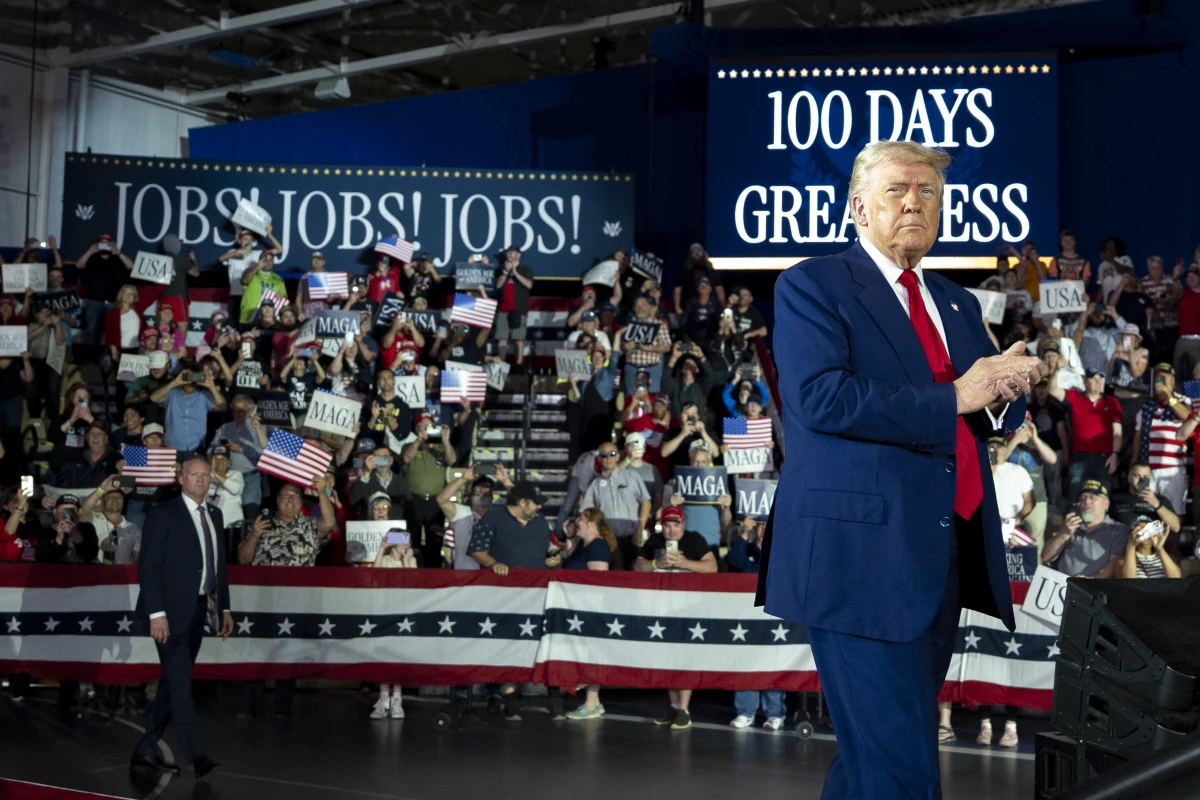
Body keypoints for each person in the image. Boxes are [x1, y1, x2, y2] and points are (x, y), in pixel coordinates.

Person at [758, 140, 1041, 800]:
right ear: (857, 206)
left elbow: (978, 404)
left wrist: (1007, 391)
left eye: (929, 193)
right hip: (856, 558)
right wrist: (960, 396)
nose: (915, 202)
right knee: (903, 771)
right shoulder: (811, 285)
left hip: (939, 553)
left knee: (871, 762)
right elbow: (821, 398)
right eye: (897, 190)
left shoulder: (958, 304)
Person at [130, 456, 232, 778]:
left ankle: (147, 749)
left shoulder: (214, 515)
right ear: (182, 478)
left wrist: (225, 608)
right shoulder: (163, 514)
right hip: (168, 616)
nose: (200, 480)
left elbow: (219, 568)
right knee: (181, 684)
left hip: (199, 611)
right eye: (194, 475)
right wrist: (156, 614)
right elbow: (148, 567)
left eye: (205, 475)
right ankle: (196, 755)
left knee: (171, 684)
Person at [236, 479, 336, 718]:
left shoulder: (310, 526)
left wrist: (322, 491)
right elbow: (243, 559)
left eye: (294, 497)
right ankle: (252, 705)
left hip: (296, 603)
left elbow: (330, 522)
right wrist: (253, 536)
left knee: (287, 655)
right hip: (264, 602)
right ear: (277, 501)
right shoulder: (263, 525)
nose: (289, 501)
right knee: (257, 653)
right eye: (284, 496)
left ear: (301, 502)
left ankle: (282, 707)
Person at [468, 481, 552, 721]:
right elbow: (476, 549)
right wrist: (494, 564)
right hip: (503, 594)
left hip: (535, 592)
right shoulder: (492, 519)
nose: (538, 507)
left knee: (527, 642)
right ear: (522, 503)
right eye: (535, 503)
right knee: (506, 640)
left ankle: (513, 693)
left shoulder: (539, 523)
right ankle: (507, 695)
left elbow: (546, 551)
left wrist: (553, 560)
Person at [634, 505, 717, 731]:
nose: (671, 530)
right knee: (666, 658)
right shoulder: (654, 541)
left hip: (687, 608)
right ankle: (673, 706)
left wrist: (685, 563)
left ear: (684, 524)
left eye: (676, 525)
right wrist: (656, 564)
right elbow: (637, 566)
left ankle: (684, 709)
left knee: (684, 657)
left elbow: (712, 566)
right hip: (661, 608)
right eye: (667, 525)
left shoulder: (693, 540)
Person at [553, 508, 620, 721]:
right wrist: (571, 538)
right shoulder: (585, 545)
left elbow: (598, 581)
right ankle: (593, 702)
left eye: (580, 519)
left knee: (592, 654)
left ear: (591, 523)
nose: (576, 522)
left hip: (590, 609)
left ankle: (592, 702)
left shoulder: (598, 546)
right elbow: (573, 566)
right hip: (577, 609)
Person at [370, 519, 417, 720]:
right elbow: (375, 575)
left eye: (407, 539)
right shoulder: (387, 560)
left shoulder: (411, 561)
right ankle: (383, 699)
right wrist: (381, 549)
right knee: (384, 656)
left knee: (397, 656)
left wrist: (406, 560)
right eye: (401, 539)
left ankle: (397, 699)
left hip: (403, 612)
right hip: (385, 611)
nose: (406, 543)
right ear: (393, 541)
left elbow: (413, 583)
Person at [1051, 368, 1123, 500]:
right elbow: (1052, 390)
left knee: (1102, 494)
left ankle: (1100, 520)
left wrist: (1115, 454)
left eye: (1100, 379)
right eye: (1093, 378)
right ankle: (1073, 518)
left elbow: (1117, 432)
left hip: (1104, 458)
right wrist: (1056, 370)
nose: (1098, 382)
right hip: (1080, 456)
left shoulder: (1112, 402)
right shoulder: (1074, 396)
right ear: (1085, 381)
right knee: (1075, 492)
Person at [580, 441, 651, 569]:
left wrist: (640, 528)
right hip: (609, 541)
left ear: (618, 456)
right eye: (604, 455)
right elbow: (586, 512)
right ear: (600, 459)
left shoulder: (632, 477)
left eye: (612, 454)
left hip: (633, 537)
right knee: (614, 578)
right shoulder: (595, 485)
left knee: (633, 577)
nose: (608, 458)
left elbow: (646, 502)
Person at [1131, 363, 1192, 514]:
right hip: (1147, 470)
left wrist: (1169, 396)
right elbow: (1137, 438)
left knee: (1174, 511)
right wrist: (1133, 465)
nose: (1161, 381)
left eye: (1165, 378)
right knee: (1146, 510)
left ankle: (1173, 539)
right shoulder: (1146, 406)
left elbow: (1189, 418)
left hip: (1173, 469)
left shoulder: (1183, 401)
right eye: (1158, 378)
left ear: (1172, 381)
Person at [1041, 480, 1128, 577]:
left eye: (1092, 497)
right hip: (1062, 586)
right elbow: (1046, 557)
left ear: (1106, 503)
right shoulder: (1070, 526)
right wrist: (1063, 534)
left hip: (1094, 588)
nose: (1086, 501)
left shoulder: (1117, 529)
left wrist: (1088, 581)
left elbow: (1115, 564)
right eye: (1083, 498)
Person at [438, 464, 513, 569]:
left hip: (493, 573)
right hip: (465, 575)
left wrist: (506, 481)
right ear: (469, 493)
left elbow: (520, 505)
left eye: (487, 489)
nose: (483, 491)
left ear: (492, 495)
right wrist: (463, 479)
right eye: (479, 489)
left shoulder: (498, 515)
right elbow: (441, 500)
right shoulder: (462, 512)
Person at [151, 363, 228, 455]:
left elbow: (222, 407)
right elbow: (154, 398)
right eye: (188, 377)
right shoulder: (172, 394)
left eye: (195, 377)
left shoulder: (204, 395)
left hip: (196, 446)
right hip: (171, 446)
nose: (191, 381)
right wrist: (176, 382)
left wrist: (211, 386)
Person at [219, 227, 282, 322]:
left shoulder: (257, 254)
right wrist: (237, 252)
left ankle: (247, 335)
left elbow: (279, 249)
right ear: (239, 241)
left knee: (250, 323)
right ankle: (232, 333)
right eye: (245, 239)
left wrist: (269, 234)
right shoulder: (232, 253)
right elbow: (221, 259)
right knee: (232, 323)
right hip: (236, 295)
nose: (248, 241)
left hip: (251, 296)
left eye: (250, 239)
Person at [616, 295, 673, 393]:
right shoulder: (628, 325)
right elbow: (619, 349)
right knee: (631, 400)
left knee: (651, 399)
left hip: (652, 368)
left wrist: (646, 348)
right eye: (637, 306)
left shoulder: (659, 324)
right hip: (632, 368)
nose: (640, 309)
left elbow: (667, 347)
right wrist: (625, 348)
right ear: (634, 308)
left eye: (643, 306)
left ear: (648, 307)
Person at [80, 476, 141, 565]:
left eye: (119, 497)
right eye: (111, 497)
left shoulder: (134, 529)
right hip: (98, 573)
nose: (115, 499)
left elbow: (137, 557)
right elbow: (83, 513)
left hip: (124, 575)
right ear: (102, 501)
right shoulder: (94, 521)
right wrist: (101, 490)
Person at [493, 246, 534, 368]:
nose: (510, 255)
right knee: (502, 338)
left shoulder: (526, 269)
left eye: (512, 252)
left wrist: (515, 273)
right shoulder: (500, 270)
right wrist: (505, 272)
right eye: (508, 253)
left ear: (518, 255)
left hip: (519, 310)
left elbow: (529, 285)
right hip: (503, 310)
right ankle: (500, 365)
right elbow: (499, 285)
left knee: (519, 339)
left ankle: (518, 365)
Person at [1140, 256, 1183, 365]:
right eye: (1153, 268)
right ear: (1148, 268)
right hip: (1151, 330)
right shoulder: (1142, 283)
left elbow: (1179, 294)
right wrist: (1153, 302)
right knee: (1153, 360)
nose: (1156, 271)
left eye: (1158, 268)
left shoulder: (1171, 280)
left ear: (1162, 267)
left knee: (1170, 360)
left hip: (1170, 327)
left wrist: (1176, 279)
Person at [1173, 266, 1200, 381]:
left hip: (1199, 341)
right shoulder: (1183, 292)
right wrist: (1175, 278)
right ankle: (1185, 399)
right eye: (1188, 276)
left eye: (1194, 275)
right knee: (1180, 376)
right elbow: (1176, 291)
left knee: (1197, 377)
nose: (1190, 278)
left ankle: (1195, 399)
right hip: (1183, 341)